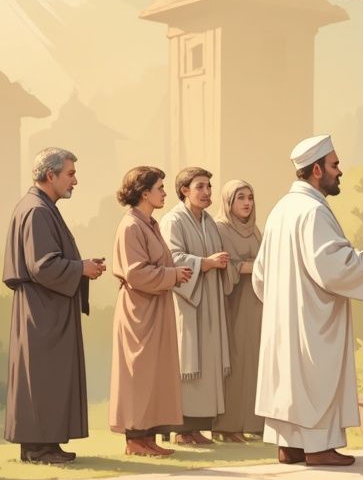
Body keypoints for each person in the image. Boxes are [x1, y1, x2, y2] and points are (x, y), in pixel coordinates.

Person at [252, 134, 363, 467]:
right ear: (316, 170)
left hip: (285, 318)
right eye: (334, 165)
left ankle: (290, 445)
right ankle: (317, 448)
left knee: (290, 380)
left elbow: (261, 275)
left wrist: (282, 303)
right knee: (314, 378)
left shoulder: (281, 209)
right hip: (312, 317)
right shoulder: (312, 212)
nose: (340, 172)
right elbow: (333, 267)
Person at [2, 147, 106, 464]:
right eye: (70, 174)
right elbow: (42, 266)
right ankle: (37, 447)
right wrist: (81, 268)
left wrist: (81, 266)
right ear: (51, 175)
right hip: (41, 312)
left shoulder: (42, 207)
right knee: (42, 376)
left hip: (47, 308)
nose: (75, 180)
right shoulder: (36, 210)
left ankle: (46, 443)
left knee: (48, 376)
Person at [109, 167, 193, 457]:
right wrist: (172, 275)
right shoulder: (131, 226)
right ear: (144, 193)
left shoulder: (149, 223)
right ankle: (134, 439)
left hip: (153, 308)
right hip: (138, 311)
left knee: (154, 373)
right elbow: (136, 273)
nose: (164, 193)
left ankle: (147, 436)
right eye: (160, 187)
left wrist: (170, 274)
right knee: (138, 374)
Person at [159, 167, 232, 445]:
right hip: (187, 304)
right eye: (200, 187)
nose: (206, 192)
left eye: (209, 187)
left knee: (207, 362)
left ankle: (197, 428)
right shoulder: (173, 221)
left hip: (209, 301)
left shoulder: (208, 222)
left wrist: (218, 264)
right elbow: (172, 259)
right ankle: (181, 429)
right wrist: (206, 263)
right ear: (184, 191)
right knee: (188, 362)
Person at [212, 180, 264, 442]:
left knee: (255, 361)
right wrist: (258, 267)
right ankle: (228, 425)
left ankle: (252, 423)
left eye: (250, 197)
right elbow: (227, 265)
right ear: (228, 202)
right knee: (235, 360)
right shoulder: (220, 229)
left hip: (257, 304)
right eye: (240, 197)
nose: (247, 203)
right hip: (233, 303)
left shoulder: (255, 231)